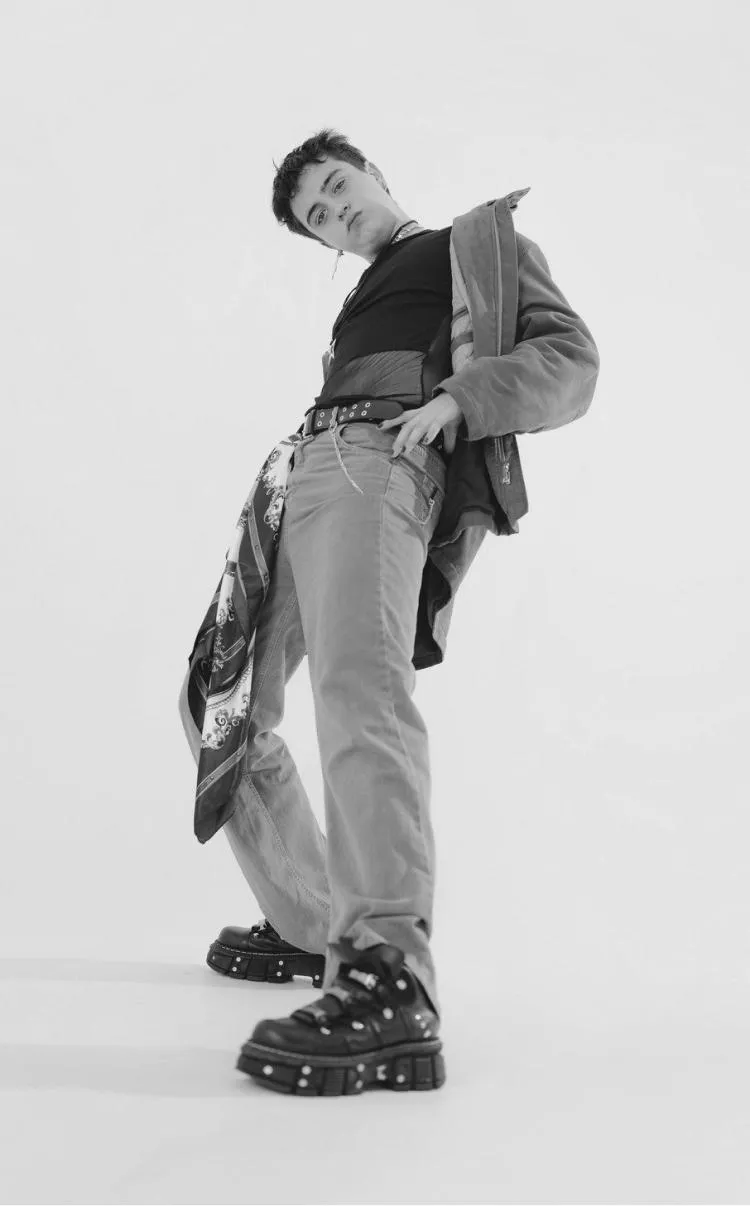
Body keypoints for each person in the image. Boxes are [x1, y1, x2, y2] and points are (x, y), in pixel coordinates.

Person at [196, 127, 599, 1098]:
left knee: (358, 687)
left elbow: (571, 359)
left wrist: (461, 399)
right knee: (218, 700)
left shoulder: (476, 244)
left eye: (339, 187)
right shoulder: (359, 300)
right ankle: (313, 923)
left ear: (375, 173)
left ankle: (389, 980)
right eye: (319, 216)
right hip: (302, 473)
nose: (337, 211)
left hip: (382, 460)